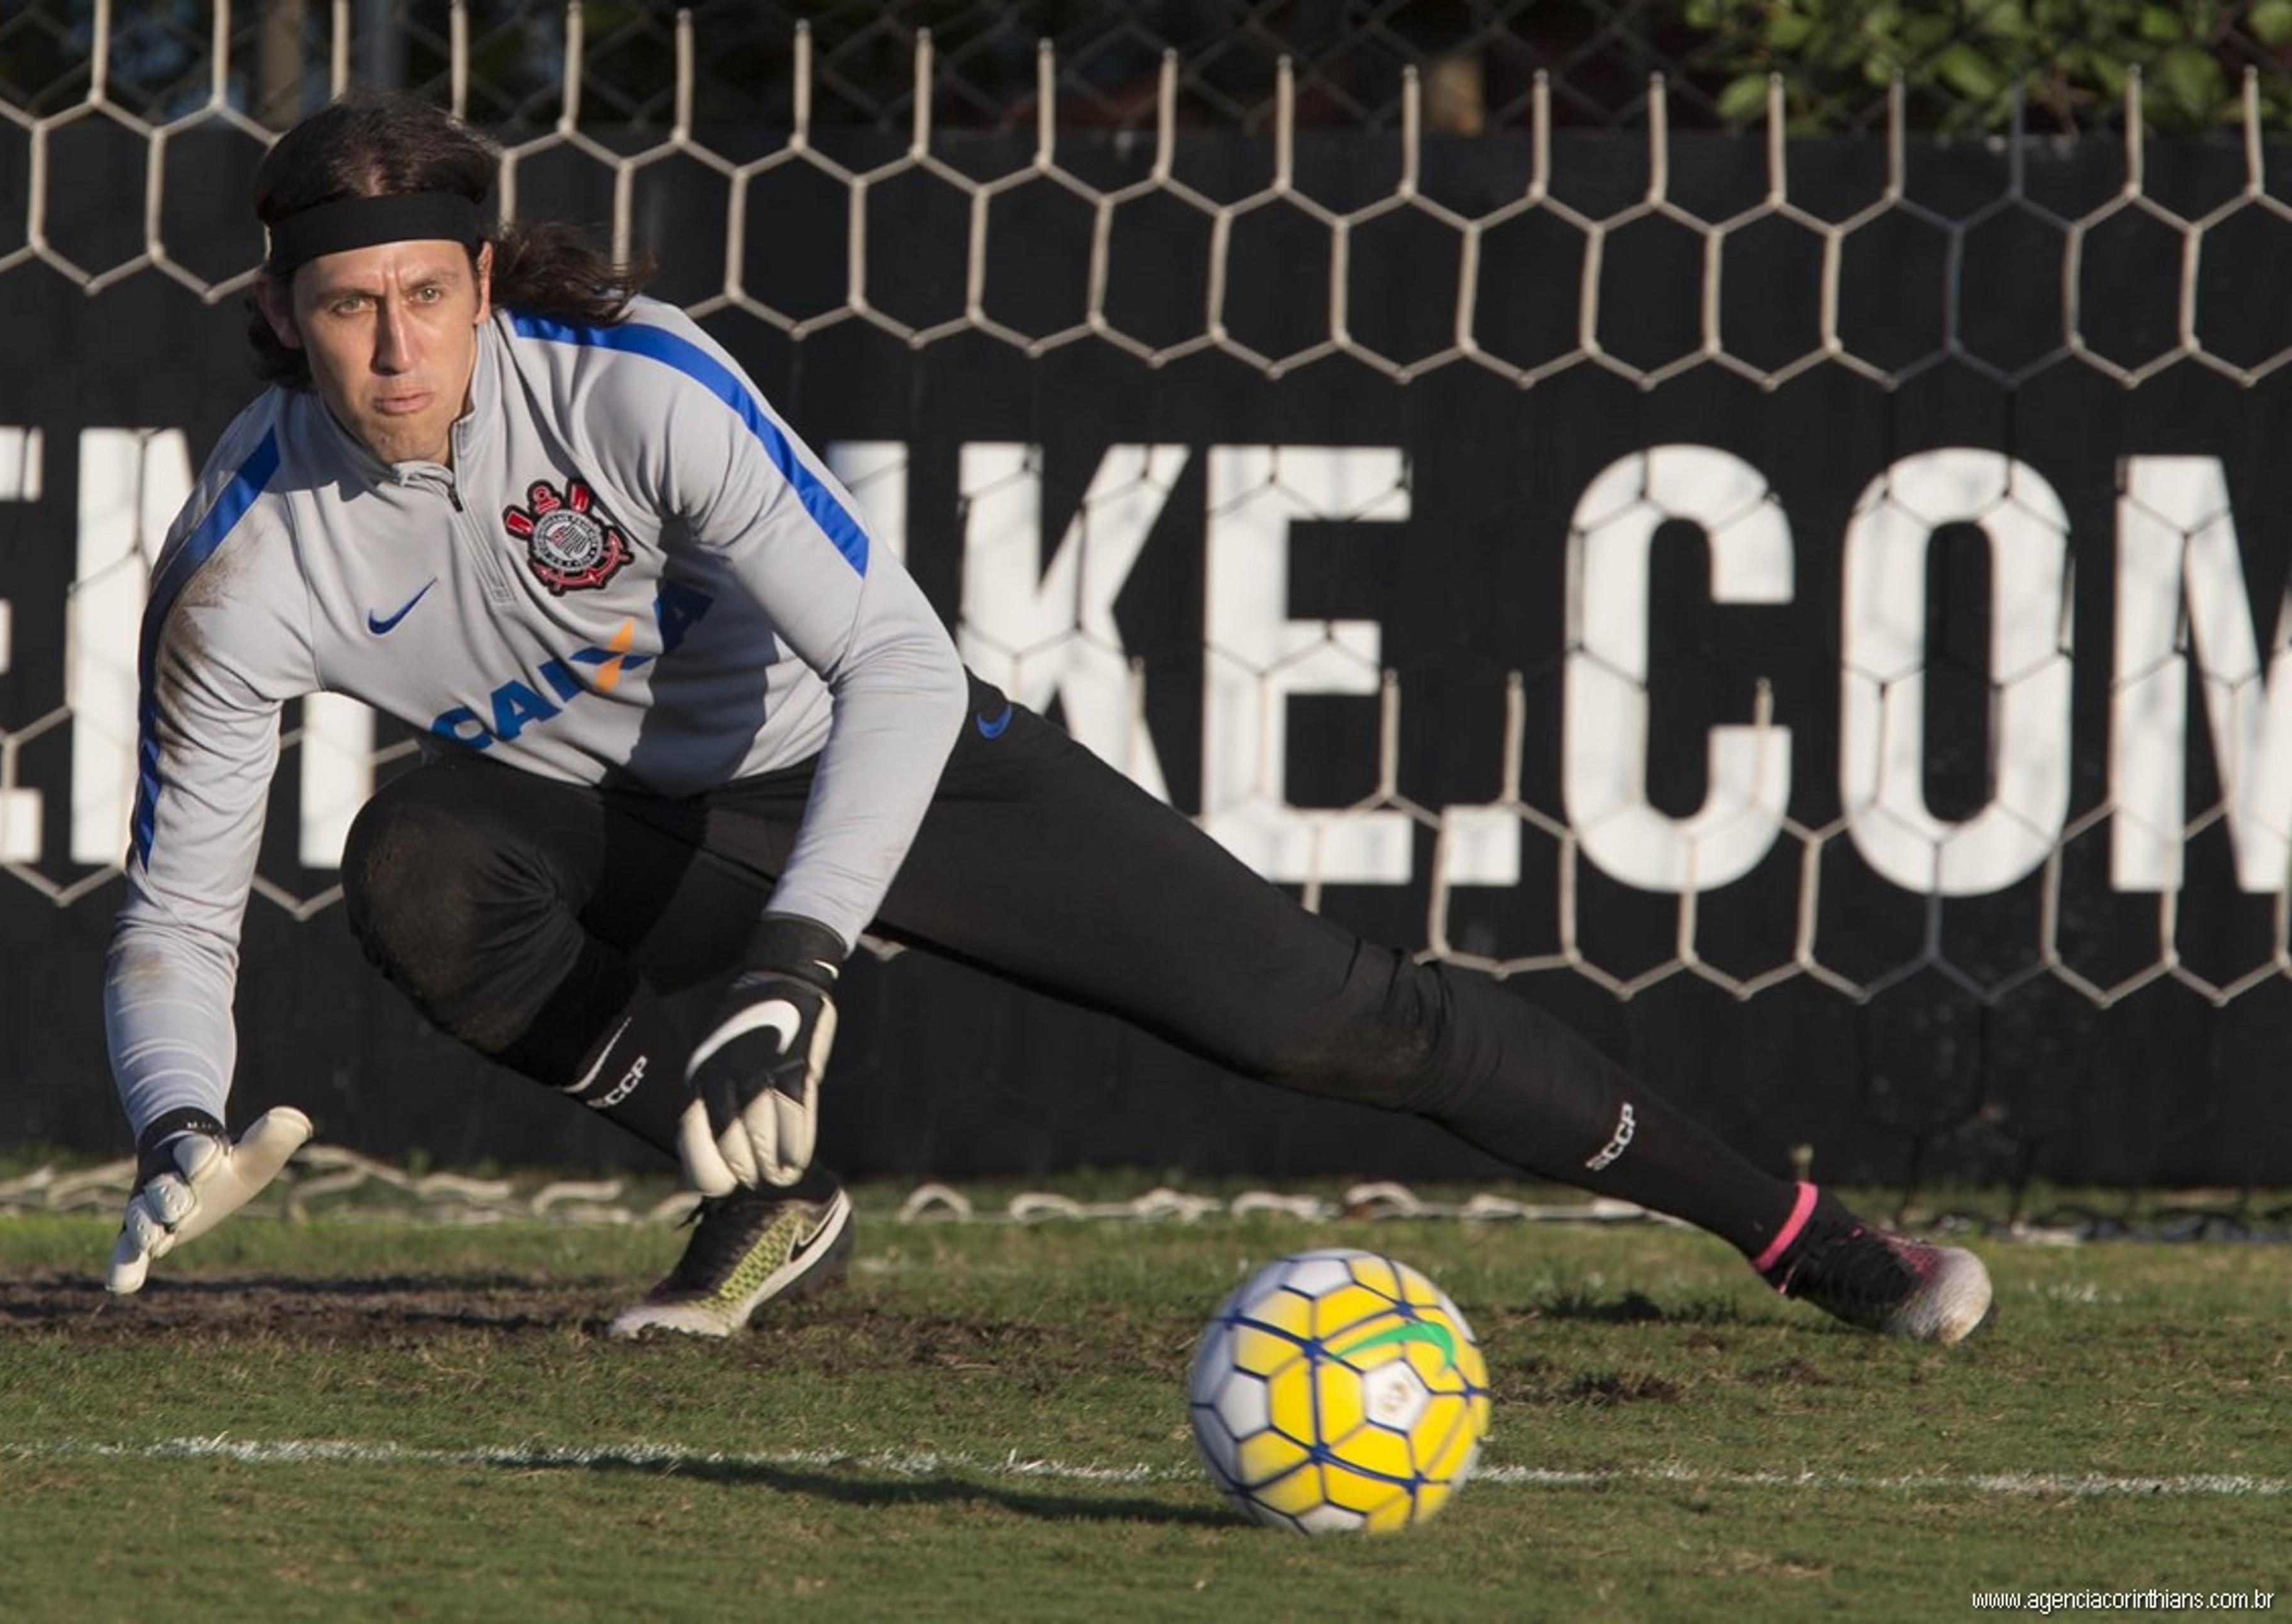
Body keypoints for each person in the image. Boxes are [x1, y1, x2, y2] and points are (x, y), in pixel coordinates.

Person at [103, 91, 1994, 1345]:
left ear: (485, 281)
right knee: (419, 860)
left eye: (431, 295)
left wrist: (801, 964)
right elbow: (181, 910)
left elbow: (902, 668)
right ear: (278, 316)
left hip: (888, 775)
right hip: (631, 842)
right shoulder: (243, 560)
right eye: (350, 309)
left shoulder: (628, 385)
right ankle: (761, 1191)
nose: (399, 350)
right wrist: (172, 1118)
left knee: (1331, 1019)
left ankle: (1814, 1242)